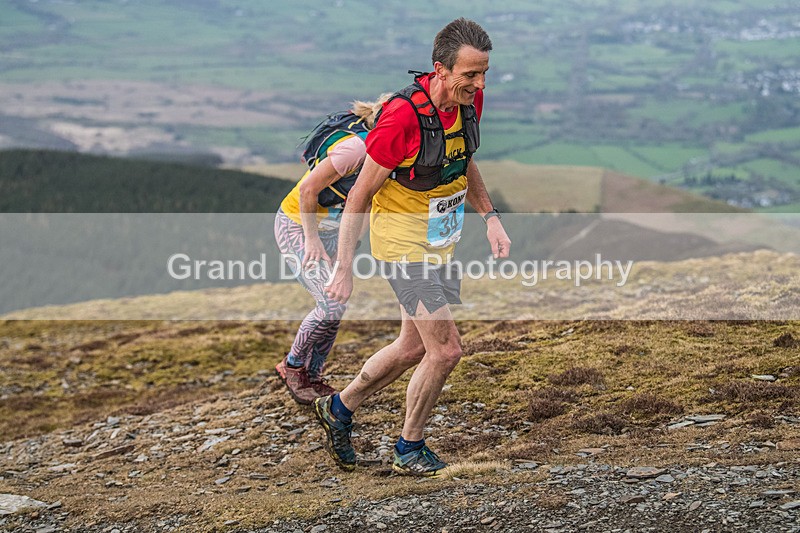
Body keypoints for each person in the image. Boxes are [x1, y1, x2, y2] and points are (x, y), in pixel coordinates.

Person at [315, 18, 511, 477]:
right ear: (440, 69)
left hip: (439, 237)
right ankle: (409, 447)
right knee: (445, 351)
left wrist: (492, 218)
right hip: (402, 244)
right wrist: (344, 268)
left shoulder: (468, 101)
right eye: (470, 75)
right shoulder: (401, 118)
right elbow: (360, 196)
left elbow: (463, 160)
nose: (480, 84)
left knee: (411, 347)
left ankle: (339, 408)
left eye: (484, 73)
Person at [274, 94, 388, 405]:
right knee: (328, 302)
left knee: (338, 299)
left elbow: (364, 205)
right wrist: (311, 239)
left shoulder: (388, 155)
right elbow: (309, 189)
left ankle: (314, 374)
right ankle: (292, 367)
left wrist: (348, 254)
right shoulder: (356, 149)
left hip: (334, 232)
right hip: (298, 224)